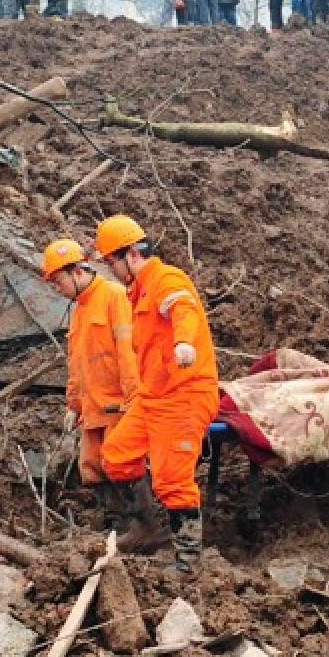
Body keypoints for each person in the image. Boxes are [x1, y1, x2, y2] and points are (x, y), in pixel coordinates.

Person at [95, 216, 219, 575]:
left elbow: (184, 310)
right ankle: (151, 527)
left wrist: (183, 343)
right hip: (155, 395)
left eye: (112, 263)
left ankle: (187, 561)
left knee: (172, 479)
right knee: (117, 456)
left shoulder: (166, 279)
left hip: (184, 394)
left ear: (132, 255)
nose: (111, 272)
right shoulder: (140, 292)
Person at [41, 239, 144, 530]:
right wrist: (73, 405)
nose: (57, 288)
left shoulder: (114, 296)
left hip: (118, 403)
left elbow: (128, 354)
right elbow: (77, 363)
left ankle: (142, 526)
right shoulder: (79, 311)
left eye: (58, 280)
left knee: (122, 463)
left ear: (76, 271)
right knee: (92, 468)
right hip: (93, 406)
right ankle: (116, 523)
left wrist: (134, 398)